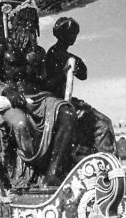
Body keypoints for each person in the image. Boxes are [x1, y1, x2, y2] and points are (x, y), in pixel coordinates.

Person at [0, 0, 77, 187]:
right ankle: (25, 173)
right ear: (14, 23)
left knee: (67, 112)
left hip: (40, 98)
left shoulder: (39, 52)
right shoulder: (0, 48)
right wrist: (7, 91)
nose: (28, 25)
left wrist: (64, 73)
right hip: (12, 101)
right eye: (23, 20)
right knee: (20, 124)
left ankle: (53, 172)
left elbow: (44, 83)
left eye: (32, 21)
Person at [45, 17, 117, 160]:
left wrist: (75, 64)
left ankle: (103, 159)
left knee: (104, 122)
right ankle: (106, 161)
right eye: (72, 34)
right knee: (103, 124)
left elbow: (83, 75)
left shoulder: (68, 55)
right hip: (57, 100)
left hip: (67, 99)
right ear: (62, 34)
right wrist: (64, 72)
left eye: (75, 34)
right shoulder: (53, 54)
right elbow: (47, 84)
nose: (74, 37)